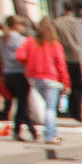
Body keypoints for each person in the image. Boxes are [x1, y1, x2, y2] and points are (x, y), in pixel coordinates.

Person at [17, 17, 71, 151]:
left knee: (47, 105)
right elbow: (61, 64)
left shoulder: (30, 41)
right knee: (50, 108)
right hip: (51, 78)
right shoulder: (54, 43)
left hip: (34, 78)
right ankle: (50, 135)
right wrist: (66, 82)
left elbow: (20, 55)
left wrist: (30, 63)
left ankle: (51, 133)